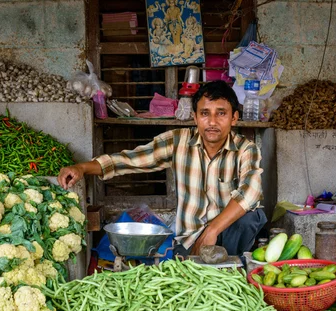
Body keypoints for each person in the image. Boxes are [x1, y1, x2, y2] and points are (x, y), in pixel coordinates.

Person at [58, 80, 267, 256]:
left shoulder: (246, 149)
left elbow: (251, 193)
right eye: (205, 113)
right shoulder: (177, 141)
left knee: (252, 215)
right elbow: (131, 159)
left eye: (221, 113)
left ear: (234, 118)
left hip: (227, 240)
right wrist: (82, 168)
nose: (212, 121)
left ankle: (228, 271)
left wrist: (211, 230)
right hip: (189, 241)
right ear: (194, 117)